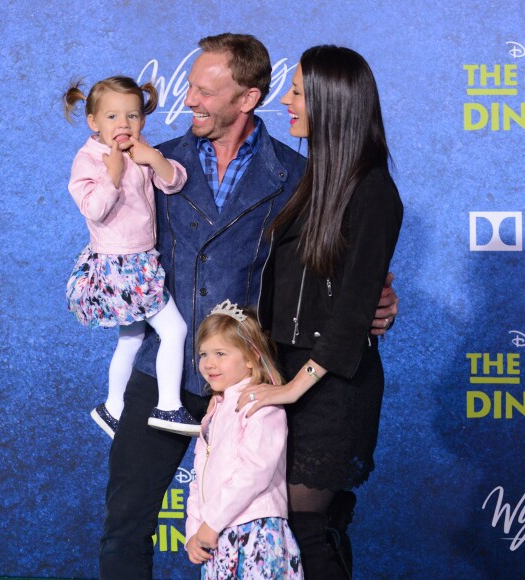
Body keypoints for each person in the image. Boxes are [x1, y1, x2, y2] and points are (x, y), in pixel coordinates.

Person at [99, 34, 399, 579]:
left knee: (274, 530)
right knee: (125, 522)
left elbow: (333, 268)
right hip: (164, 371)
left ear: (246, 98)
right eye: (190, 86)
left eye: (205, 91)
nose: (187, 99)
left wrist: (375, 296)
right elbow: (114, 241)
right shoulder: (154, 161)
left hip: (251, 384)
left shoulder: (301, 177)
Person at [236, 45, 404, 579]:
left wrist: (289, 389)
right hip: (289, 370)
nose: (285, 100)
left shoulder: (373, 190)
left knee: (304, 530)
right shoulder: (314, 179)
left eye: (299, 92)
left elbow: (353, 312)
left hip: (329, 390)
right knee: (296, 528)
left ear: (333, 104)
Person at [64, 76, 198, 438]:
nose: (123, 124)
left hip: (141, 261)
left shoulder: (139, 150)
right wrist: (112, 175)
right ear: (93, 121)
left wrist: (153, 158)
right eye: (111, 117)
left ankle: (112, 408)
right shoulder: (90, 160)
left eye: (133, 116)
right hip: (121, 266)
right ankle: (169, 405)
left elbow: (174, 182)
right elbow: (93, 209)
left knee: (132, 338)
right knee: (175, 329)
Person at [185, 300, 303, 578]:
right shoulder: (213, 411)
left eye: (220, 353)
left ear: (251, 357)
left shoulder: (260, 402)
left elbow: (255, 470)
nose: (209, 363)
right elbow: (197, 479)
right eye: (204, 354)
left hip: (255, 532)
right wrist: (194, 531)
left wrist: (210, 523)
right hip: (215, 537)